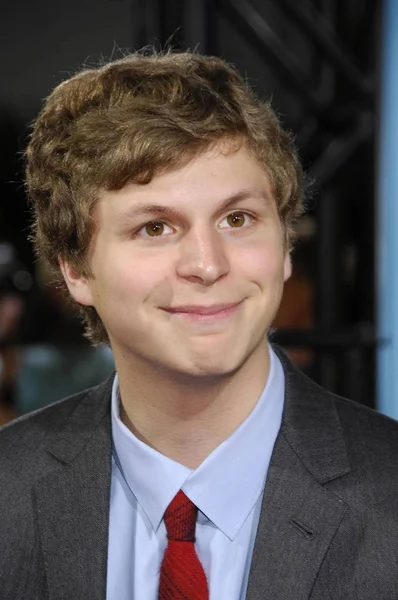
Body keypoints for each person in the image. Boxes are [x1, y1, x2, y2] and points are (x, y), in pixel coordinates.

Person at [1, 49, 397, 600]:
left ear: (284, 245)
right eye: (155, 227)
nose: (208, 265)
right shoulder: (8, 495)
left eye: (238, 219)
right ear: (75, 269)